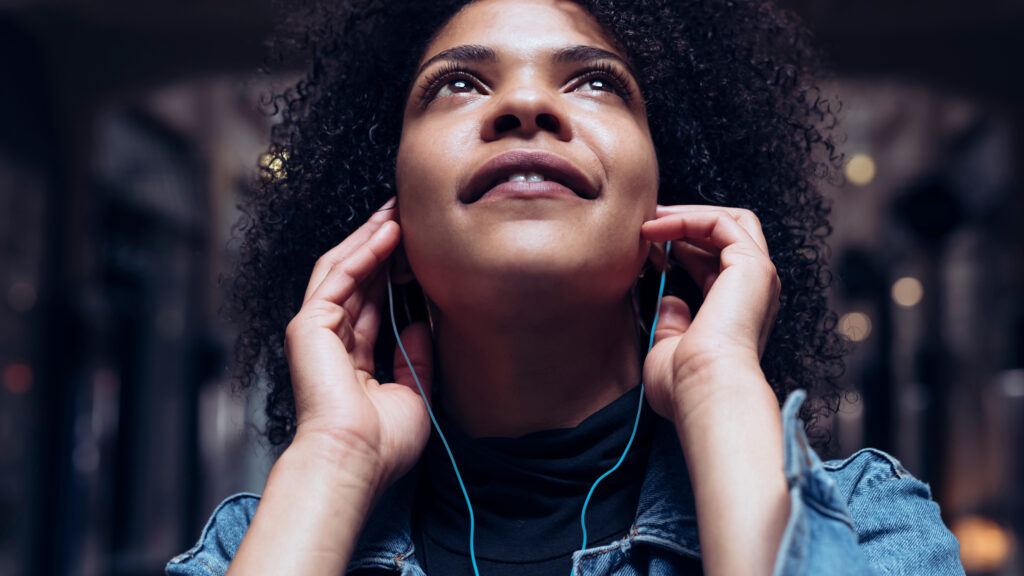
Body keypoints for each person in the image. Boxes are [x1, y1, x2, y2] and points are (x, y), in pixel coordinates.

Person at [166, 0, 964, 574]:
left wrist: (721, 385)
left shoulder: (872, 525)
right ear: (390, 226)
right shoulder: (260, 546)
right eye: (457, 84)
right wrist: (334, 458)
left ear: (669, 212)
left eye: (594, 82)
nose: (525, 103)